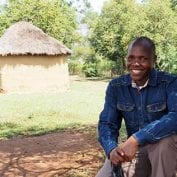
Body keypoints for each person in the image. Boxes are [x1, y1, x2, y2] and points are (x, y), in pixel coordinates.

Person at [96, 36, 177, 177]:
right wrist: (111, 148)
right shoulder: (116, 86)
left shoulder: (170, 83)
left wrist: (136, 138)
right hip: (135, 151)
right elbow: (107, 123)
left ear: (154, 60)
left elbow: (175, 117)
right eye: (131, 58)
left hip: (163, 151)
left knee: (164, 143)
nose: (135, 63)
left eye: (143, 58)